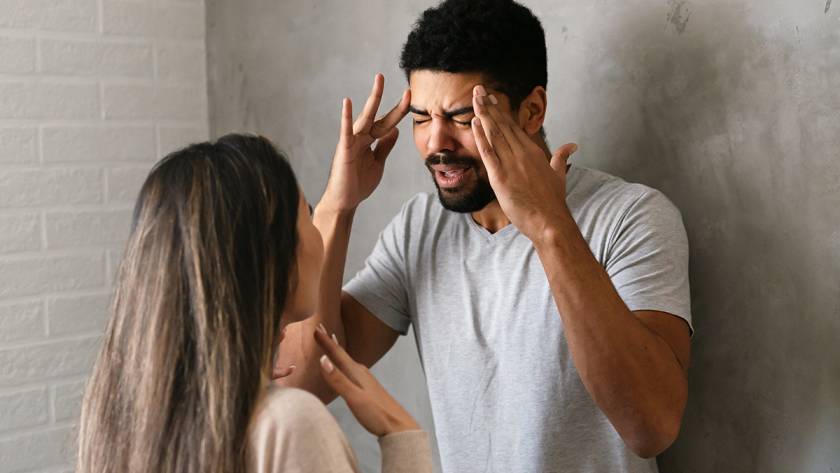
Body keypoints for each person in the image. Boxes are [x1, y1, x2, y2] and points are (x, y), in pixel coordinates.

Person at [276, 0, 693, 472]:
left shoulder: (631, 217)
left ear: (532, 110)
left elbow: (651, 427)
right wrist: (338, 204)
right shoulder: (420, 228)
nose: (436, 144)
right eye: (420, 118)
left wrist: (549, 228)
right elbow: (305, 382)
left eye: (458, 117)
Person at [76, 112, 434, 470]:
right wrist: (401, 435)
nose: (318, 233)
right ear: (276, 257)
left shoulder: (117, 411)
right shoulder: (289, 423)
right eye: (307, 216)